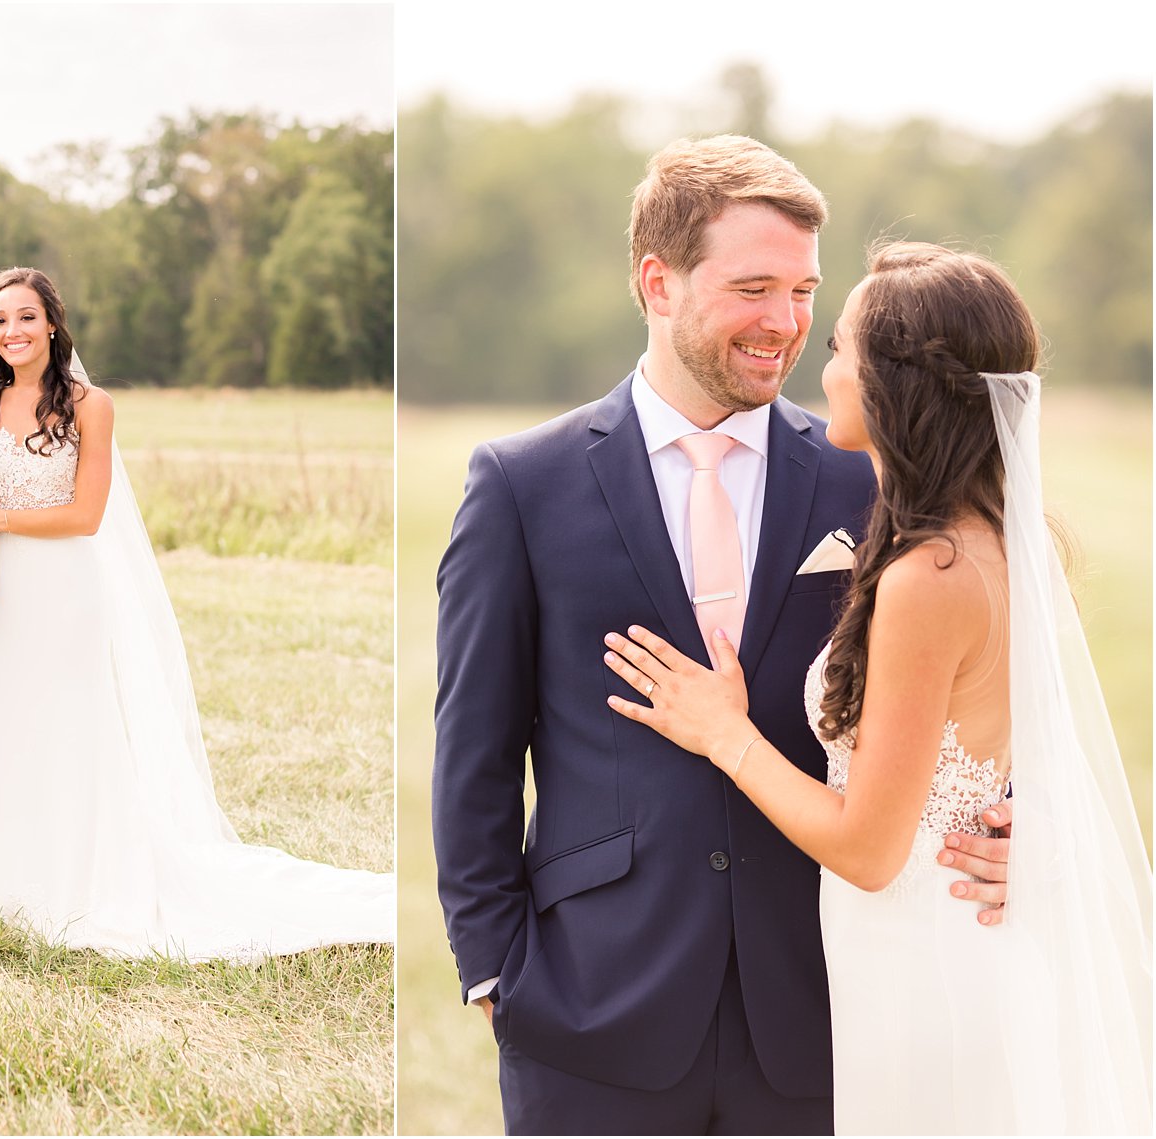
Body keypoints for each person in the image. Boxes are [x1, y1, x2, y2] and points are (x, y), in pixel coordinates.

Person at [431, 136, 1014, 1134]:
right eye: (753, 287)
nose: (785, 324)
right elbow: (471, 753)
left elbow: (968, 680)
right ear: (657, 282)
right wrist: (493, 968)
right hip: (587, 1007)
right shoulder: (520, 483)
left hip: (823, 1000)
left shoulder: (864, 477)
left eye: (802, 291)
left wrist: (1012, 822)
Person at [604, 242, 1152, 1134]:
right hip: (955, 942)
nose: (821, 360)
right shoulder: (1004, 541)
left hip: (924, 968)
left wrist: (725, 732)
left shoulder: (929, 576)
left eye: (842, 345)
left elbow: (868, 848)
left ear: (898, 381)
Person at [0, 267, 393, 961]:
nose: (13, 332)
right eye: (0, 321)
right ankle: (25, 885)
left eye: (26, 317)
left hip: (67, 588)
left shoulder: (91, 405)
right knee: (19, 726)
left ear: (53, 324)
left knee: (80, 729)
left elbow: (87, 515)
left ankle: (91, 883)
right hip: (8, 599)